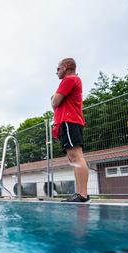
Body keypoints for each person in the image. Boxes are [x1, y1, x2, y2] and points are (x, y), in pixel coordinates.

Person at [51, 58, 90, 202]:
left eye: (58, 69)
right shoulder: (73, 80)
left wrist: (53, 99)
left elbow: (55, 101)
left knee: (76, 157)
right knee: (73, 159)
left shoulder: (69, 79)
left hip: (69, 121)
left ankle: (83, 194)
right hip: (69, 121)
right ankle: (80, 193)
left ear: (66, 67)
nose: (57, 72)